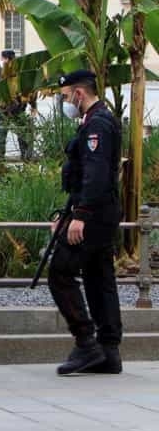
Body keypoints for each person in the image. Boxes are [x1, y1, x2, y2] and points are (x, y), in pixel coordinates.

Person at [49, 69, 123, 375]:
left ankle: (86, 344)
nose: (65, 102)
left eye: (66, 97)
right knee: (98, 277)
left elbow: (95, 174)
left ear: (79, 93)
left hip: (93, 214)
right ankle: (108, 351)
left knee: (60, 272)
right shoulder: (97, 121)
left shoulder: (97, 125)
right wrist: (66, 213)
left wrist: (80, 216)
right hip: (100, 211)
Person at [0, 50, 35, 161]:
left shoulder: (17, 72)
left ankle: (23, 156)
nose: (1, 60)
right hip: (7, 109)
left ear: (6, 59)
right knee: (3, 133)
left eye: (2, 58)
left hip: (15, 109)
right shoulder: (1, 72)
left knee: (19, 133)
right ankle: (2, 157)